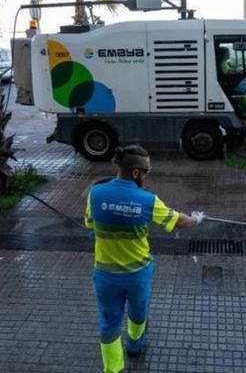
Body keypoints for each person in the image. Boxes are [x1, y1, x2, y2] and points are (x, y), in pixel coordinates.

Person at [85, 145, 204, 373]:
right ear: (136, 173)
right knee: (138, 313)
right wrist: (196, 219)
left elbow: (89, 224)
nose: (148, 175)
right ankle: (135, 345)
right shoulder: (147, 200)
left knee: (109, 322)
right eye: (147, 171)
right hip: (137, 274)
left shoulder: (95, 193)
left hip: (105, 275)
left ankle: (114, 369)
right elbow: (179, 221)